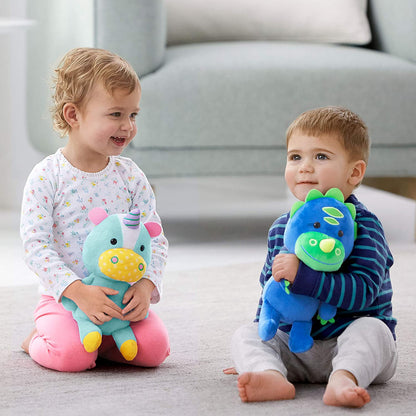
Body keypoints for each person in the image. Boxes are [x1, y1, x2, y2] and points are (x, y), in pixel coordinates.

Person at [224, 106, 397, 408]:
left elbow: (364, 293)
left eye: (320, 156)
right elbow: (270, 289)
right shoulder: (281, 228)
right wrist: (260, 344)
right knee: (245, 334)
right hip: (296, 346)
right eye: (295, 157)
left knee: (374, 331)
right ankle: (269, 374)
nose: (304, 167)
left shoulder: (364, 226)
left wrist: (304, 277)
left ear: (354, 172)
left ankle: (345, 378)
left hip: (348, 342)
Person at [20, 48, 170, 372]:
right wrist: (77, 291)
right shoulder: (47, 176)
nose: (128, 126)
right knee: (72, 357)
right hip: (66, 300)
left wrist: (146, 285)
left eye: (133, 115)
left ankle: (102, 342)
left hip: (119, 301)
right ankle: (36, 340)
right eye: (116, 114)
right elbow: (35, 245)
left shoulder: (131, 176)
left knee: (156, 350)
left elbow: (155, 240)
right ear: (73, 115)